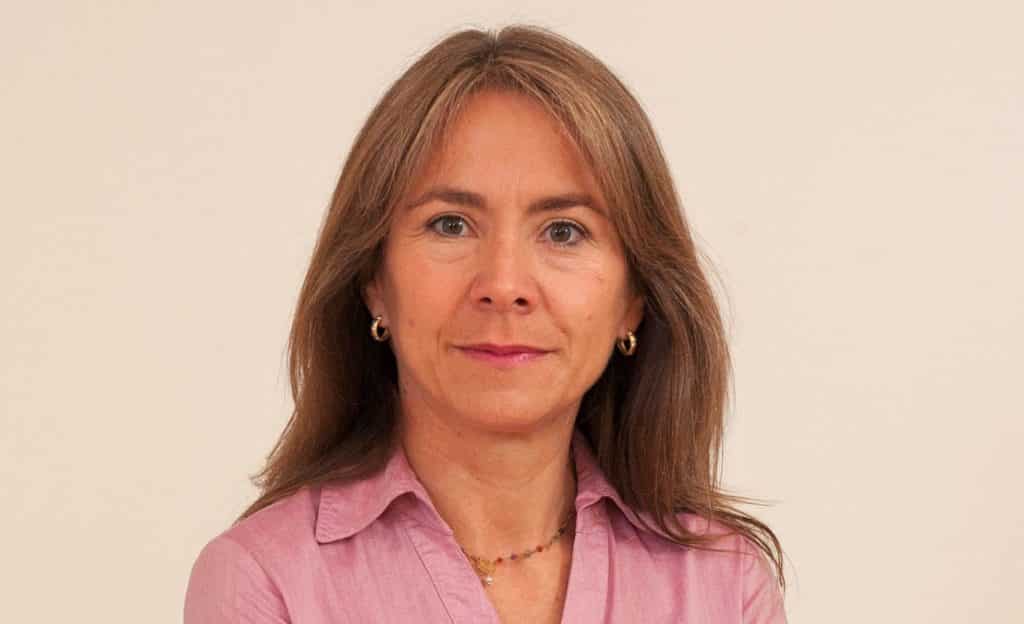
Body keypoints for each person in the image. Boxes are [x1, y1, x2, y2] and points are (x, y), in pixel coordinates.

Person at [184, 24, 788, 623]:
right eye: (450, 225)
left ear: (633, 299)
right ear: (373, 281)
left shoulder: (726, 583)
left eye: (564, 232)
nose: (503, 285)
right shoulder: (263, 582)